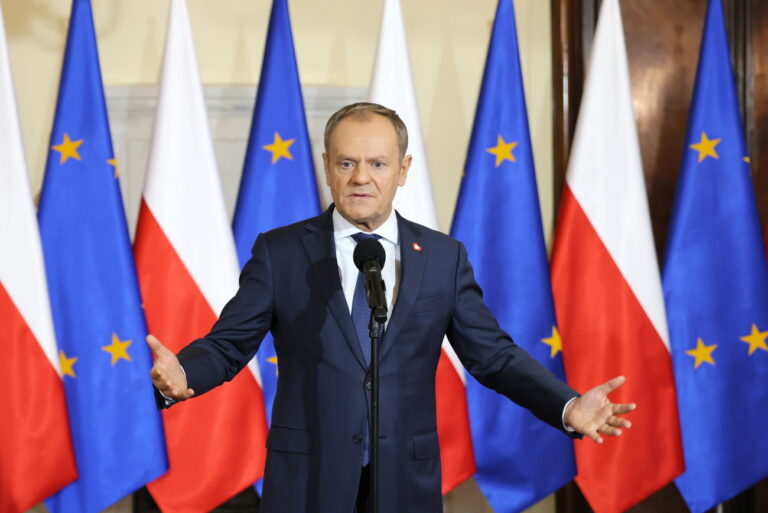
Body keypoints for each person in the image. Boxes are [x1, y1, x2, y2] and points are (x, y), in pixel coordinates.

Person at [148, 102, 635, 513]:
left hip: (405, 483)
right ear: (325, 166)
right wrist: (184, 374)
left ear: (402, 170)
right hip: (307, 482)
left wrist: (566, 406)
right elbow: (229, 344)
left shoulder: (443, 258)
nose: (361, 178)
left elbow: (493, 356)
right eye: (346, 164)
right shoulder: (281, 252)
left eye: (377, 164)